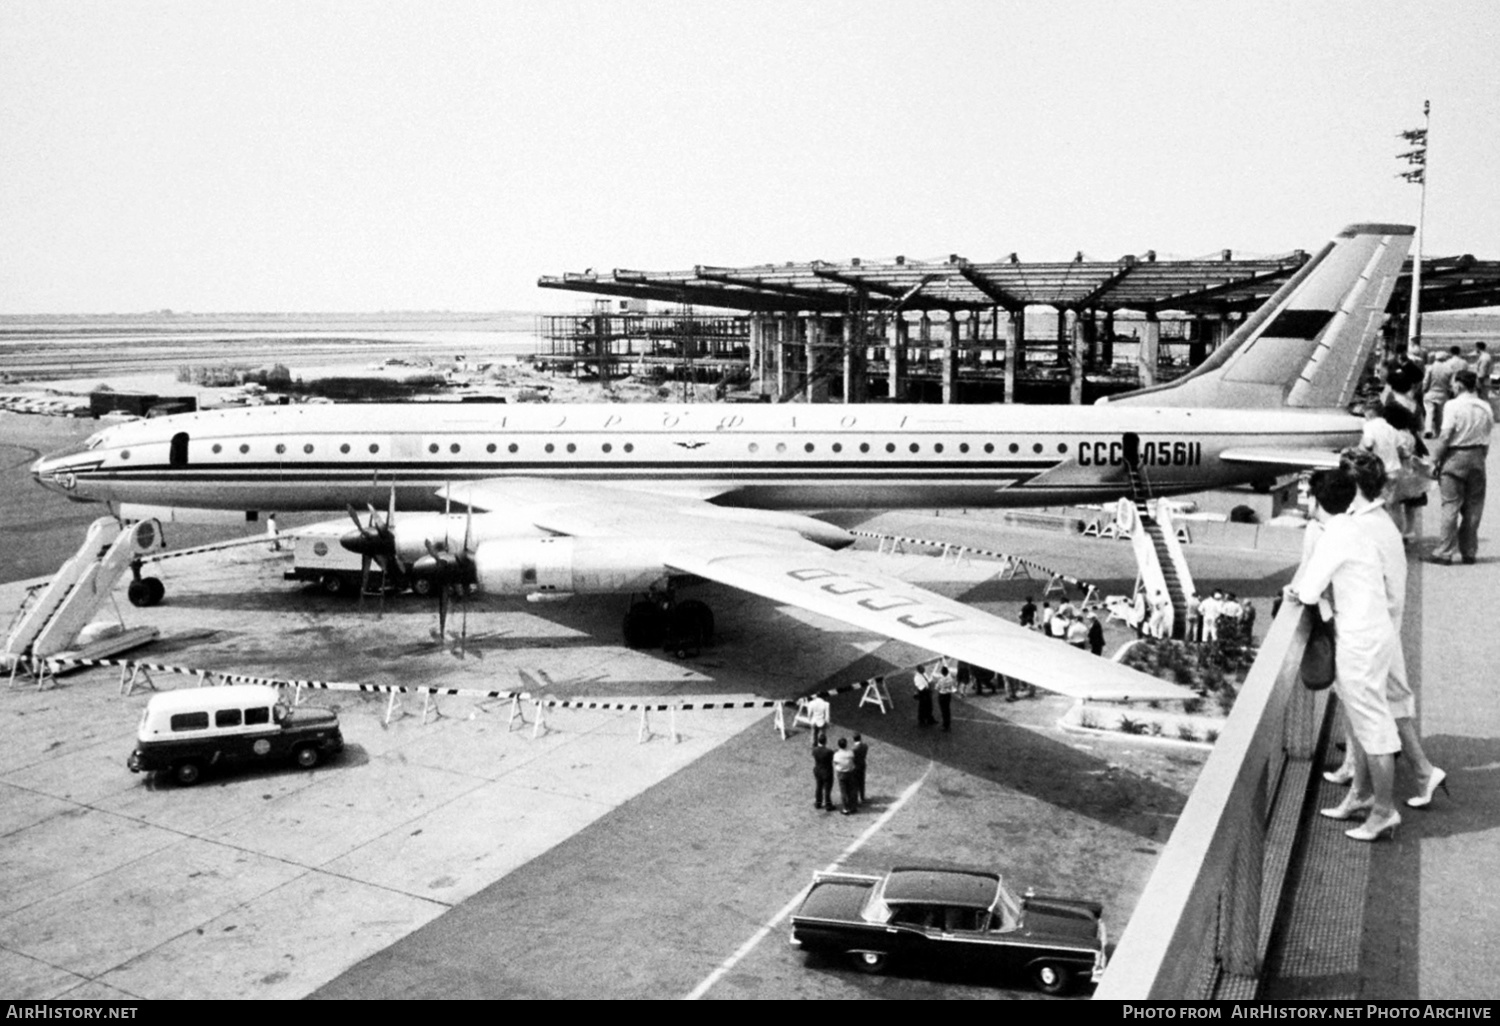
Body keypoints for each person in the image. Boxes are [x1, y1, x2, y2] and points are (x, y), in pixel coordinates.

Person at [1294, 466, 1403, 842]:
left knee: (1372, 726)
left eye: (1306, 495)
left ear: (1316, 500)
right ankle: (1363, 795)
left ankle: (1383, 812)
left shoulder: (1335, 536)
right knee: (1365, 722)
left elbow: (1307, 591)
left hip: (1359, 642)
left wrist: (1307, 593)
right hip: (1371, 634)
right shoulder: (1353, 527)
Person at [1428, 370, 1493, 565]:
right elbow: (1488, 436)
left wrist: (1435, 460)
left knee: (1451, 505)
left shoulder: (1453, 406)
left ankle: (1445, 551)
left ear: (1459, 385)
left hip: (1455, 455)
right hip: (1478, 455)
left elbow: (1446, 435)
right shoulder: (1485, 406)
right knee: (1474, 505)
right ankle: (1469, 551)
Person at [1421, 346, 1466, 438]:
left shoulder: (1430, 368)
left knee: (1429, 412)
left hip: (1430, 393)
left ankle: (1428, 429)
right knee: (1440, 414)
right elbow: (1451, 384)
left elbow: (1426, 381)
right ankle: (1438, 432)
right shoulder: (1449, 369)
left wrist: (1424, 390)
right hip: (1443, 394)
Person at [833, 737, 857, 814]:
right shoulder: (850, 753)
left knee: (843, 791)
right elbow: (853, 759)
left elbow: (835, 763)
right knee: (851, 790)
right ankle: (852, 807)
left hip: (841, 774)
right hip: (850, 772)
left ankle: (846, 808)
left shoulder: (837, 755)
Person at [812, 735, 834, 811]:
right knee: (827, 789)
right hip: (827, 771)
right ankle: (828, 805)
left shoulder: (815, 750)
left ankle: (818, 803)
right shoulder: (829, 751)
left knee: (818, 787)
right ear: (825, 741)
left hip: (818, 770)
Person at [935, 664, 958, 731]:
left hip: (942, 695)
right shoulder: (950, 679)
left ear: (942, 673)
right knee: (947, 710)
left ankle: (945, 725)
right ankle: (947, 724)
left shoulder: (941, 680)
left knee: (943, 711)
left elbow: (937, 687)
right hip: (948, 695)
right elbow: (953, 687)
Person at [851, 733, 869, 806]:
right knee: (862, 782)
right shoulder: (865, 746)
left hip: (855, 767)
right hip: (862, 764)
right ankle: (862, 797)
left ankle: (856, 799)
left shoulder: (853, 749)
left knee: (855, 783)